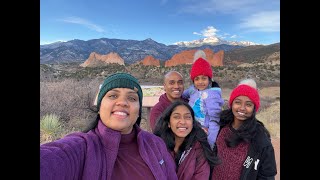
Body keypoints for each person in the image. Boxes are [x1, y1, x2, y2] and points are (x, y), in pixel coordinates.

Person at [40, 72, 178, 180]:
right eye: (113, 96)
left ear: (138, 111)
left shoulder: (155, 144)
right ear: (100, 107)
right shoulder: (81, 148)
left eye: (132, 98)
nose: (122, 102)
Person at [211, 79, 277, 180]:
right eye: (238, 102)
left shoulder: (260, 139)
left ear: (254, 108)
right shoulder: (220, 126)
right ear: (231, 104)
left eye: (248, 104)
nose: (242, 108)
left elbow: (267, 175)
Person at [154, 100, 220, 180]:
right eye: (177, 117)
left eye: (187, 117)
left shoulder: (199, 149)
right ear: (168, 123)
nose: (183, 122)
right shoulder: (156, 147)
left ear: (192, 122)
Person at [182, 49, 224, 149]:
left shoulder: (212, 95)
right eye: (197, 79)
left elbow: (214, 121)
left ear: (209, 80)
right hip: (191, 126)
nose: (200, 82)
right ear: (193, 80)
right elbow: (183, 95)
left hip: (204, 131)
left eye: (204, 78)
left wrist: (210, 143)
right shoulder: (193, 89)